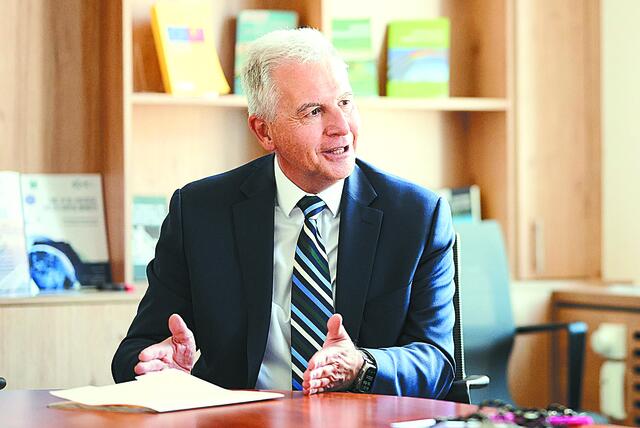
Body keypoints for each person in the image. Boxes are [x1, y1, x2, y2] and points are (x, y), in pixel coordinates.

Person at [112, 28, 455, 398]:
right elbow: (137, 349)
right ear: (265, 131)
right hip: (241, 421)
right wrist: (158, 366)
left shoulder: (417, 216)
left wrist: (362, 365)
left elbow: (436, 361)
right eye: (314, 111)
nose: (341, 127)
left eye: (345, 102)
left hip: (365, 419)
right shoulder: (198, 212)